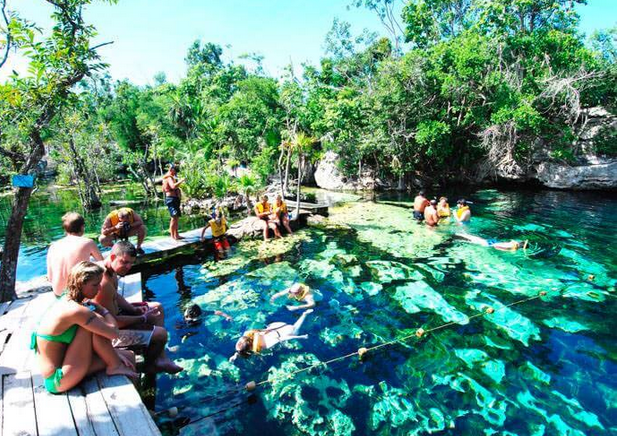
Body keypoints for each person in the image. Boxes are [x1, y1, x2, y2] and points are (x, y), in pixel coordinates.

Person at [31, 261, 137, 394]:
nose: (99, 289)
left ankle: (142, 400)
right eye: (95, 285)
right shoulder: (77, 311)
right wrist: (103, 310)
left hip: (65, 364)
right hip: (58, 379)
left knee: (129, 356)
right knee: (92, 328)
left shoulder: (67, 299)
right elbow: (113, 333)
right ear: (81, 284)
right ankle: (114, 366)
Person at [94, 241, 183, 374]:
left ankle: (161, 357)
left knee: (157, 308)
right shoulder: (103, 282)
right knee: (161, 334)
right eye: (125, 262)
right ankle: (151, 365)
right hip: (109, 335)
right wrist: (142, 318)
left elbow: (116, 296)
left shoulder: (110, 270)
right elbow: (113, 322)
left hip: (115, 316)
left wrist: (133, 309)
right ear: (112, 257)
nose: (128, 266)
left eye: (131, 263)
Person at [47, 212, 104, 297]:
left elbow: (50, 277)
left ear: (65, 229)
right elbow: (103, 264)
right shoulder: (88, 242)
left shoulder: (53, 246)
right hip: (76, 294)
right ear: (82, 227)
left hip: (58, 294)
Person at [229, 309, 313, 362]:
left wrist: (300, 337)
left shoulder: (266, 345)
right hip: (274, 326)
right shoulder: (247, 335)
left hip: (283, 332)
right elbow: (241, 349)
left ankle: (304, 315)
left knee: (295, 331)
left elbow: (284, 338)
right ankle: (304, 314)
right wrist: (235, 355)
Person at [162, 164, 185, 240]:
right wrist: (181, 180)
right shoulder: (168, 178)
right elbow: (173, 186)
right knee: (174, 217)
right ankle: (172, 236)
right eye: (175, 171)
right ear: (171, 169)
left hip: (174, 199)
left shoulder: (169, 178)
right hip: (171, 199)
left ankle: (176, 234)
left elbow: (164, 189)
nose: (175, 173)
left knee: (176, 218)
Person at [457, 233, 528, 251]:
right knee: (473, 239)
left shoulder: (513, 245)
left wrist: (494, 246)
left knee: (473, 240)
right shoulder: (513, 246)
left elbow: (500, 247)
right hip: (491, 243)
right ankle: (460, 235)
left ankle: (460, 235)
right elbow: (500, 247)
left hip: (490, 243)